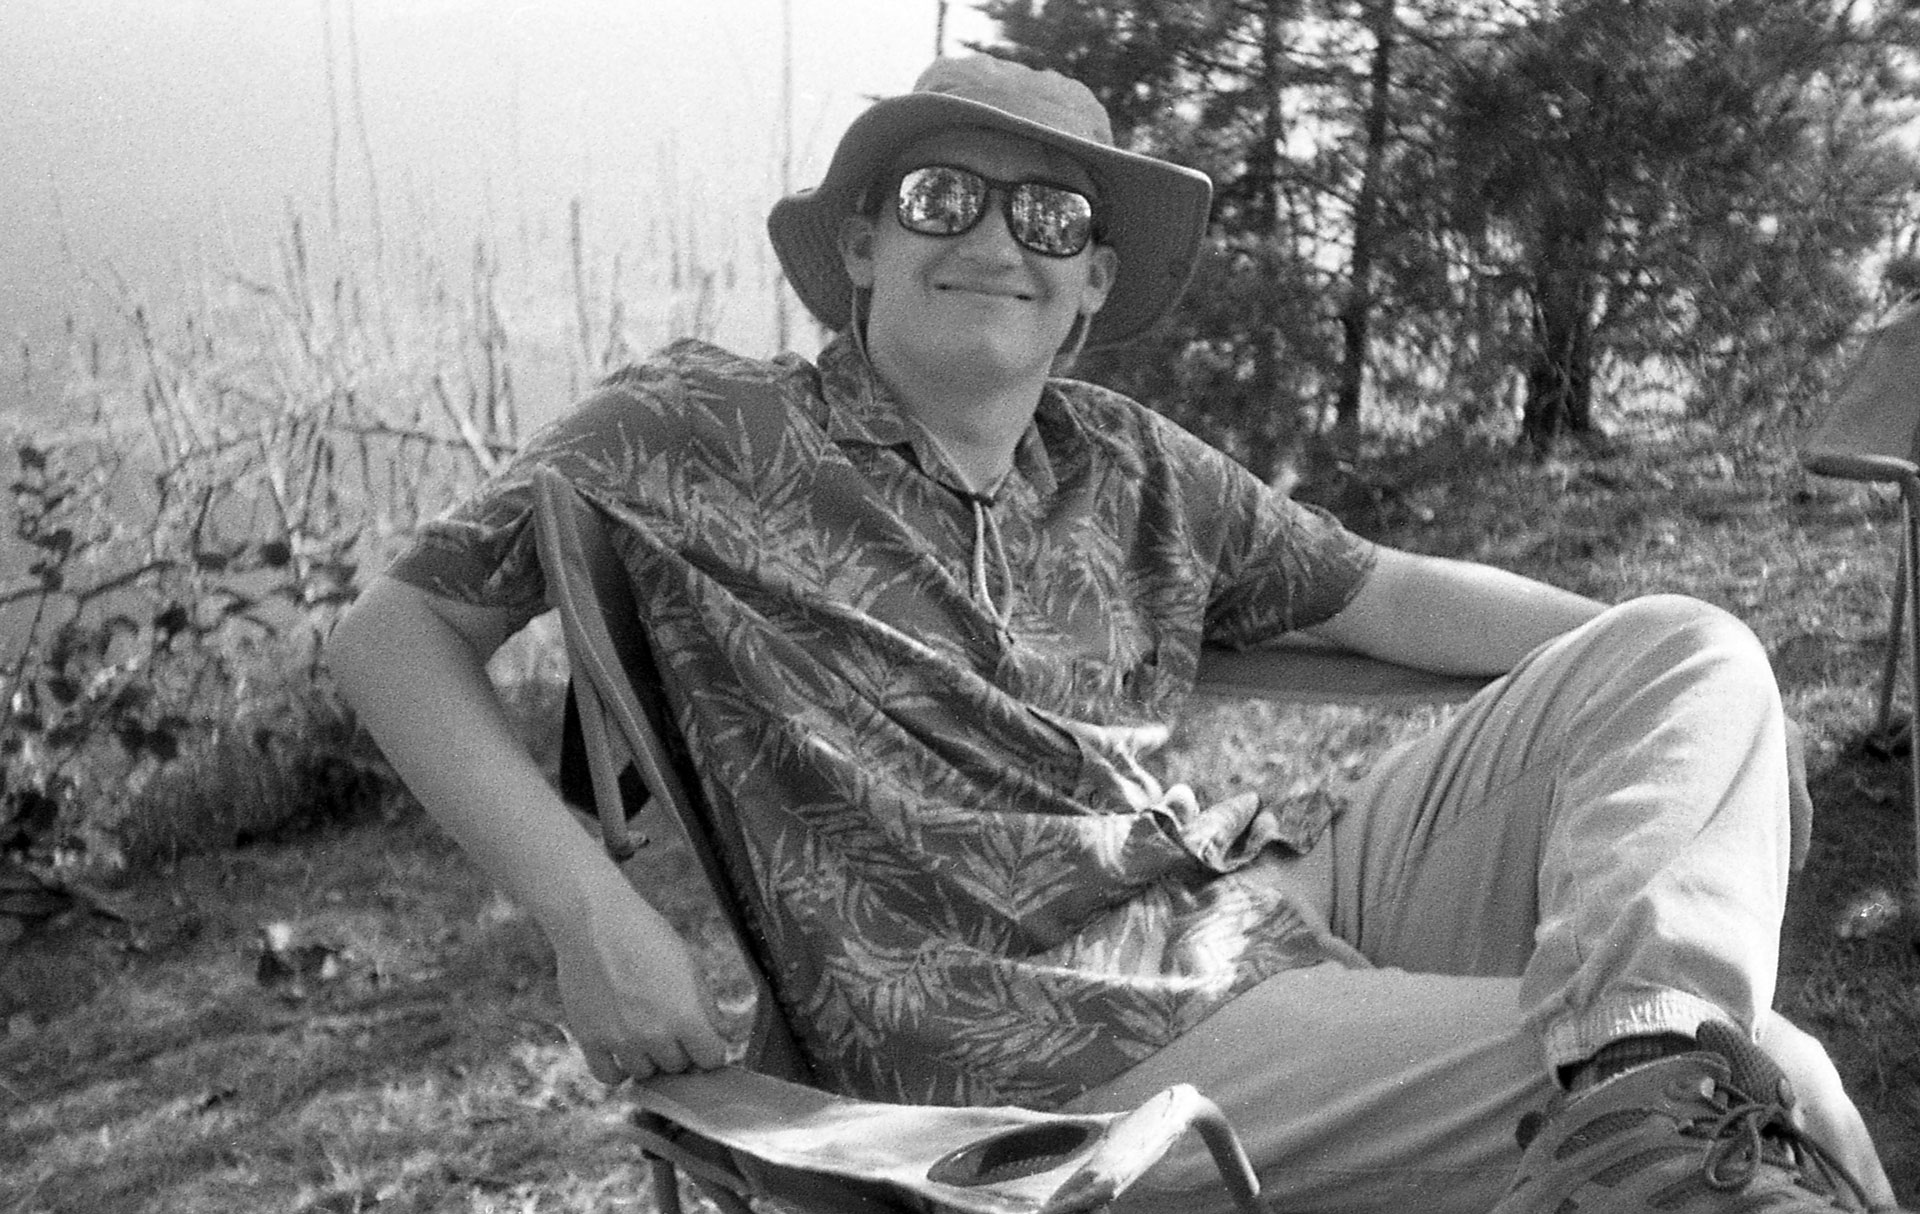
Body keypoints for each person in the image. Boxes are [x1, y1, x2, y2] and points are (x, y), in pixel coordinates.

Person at [327, 54, 1906, 1214]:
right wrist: (584, 906)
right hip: (1038, 1040)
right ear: (861, 246)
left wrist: (1715, 735)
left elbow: (1389, 592)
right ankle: (1645, 1099)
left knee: (1691, 646)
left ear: (1086, 286)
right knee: (1771, 1090)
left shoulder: (1128, 462)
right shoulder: (695, 431)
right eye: (943, 196)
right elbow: (393, 632)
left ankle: (1638, 1080)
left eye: (1051, 214)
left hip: (1253, 902)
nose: (996, 239)